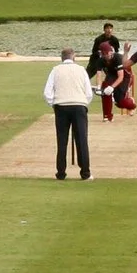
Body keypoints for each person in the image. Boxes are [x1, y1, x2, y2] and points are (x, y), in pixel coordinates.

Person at [43, 47, 93, 180]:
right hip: (79, 106)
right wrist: (83, 103)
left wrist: (54, 104)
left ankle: (61, 173)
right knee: (82, 140)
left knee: (62, 141)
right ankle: (85, 173)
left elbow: (48, 92)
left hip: (61, 107)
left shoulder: (55, 70)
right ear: (73, 57)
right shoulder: (81, 70)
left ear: (62, 58)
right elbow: (88, 93)